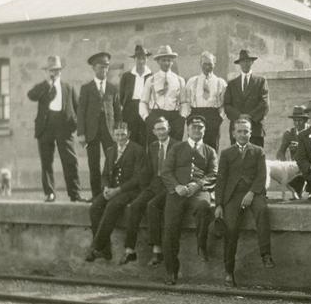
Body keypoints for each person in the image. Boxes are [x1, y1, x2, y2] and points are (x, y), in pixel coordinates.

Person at [214, 119, 273, 288]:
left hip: (253, 193)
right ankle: (229, 271)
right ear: (233, 133)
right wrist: (219, 204)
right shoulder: (226, 154)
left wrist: (252, 193)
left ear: (250, 133)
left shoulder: (258, 151)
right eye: (239, 131)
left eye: (246, 131)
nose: (243, 135)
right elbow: (221, 180)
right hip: (232, 195)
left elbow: (261, 176)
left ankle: (265, 254)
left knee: (262, 211)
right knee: (231, 229)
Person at [160, 114, 217, 285]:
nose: (197, 130)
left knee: (203, 206)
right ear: (188, 129)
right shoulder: (177, 148)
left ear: (205, 130)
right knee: (170, 229)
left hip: (198, 192)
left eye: (200, 127)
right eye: (194, 127)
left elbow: (213, 174)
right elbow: (166, 171)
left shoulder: (210, 150)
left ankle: (201, 244)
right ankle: (171, 271)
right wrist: (177, 186)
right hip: (177, 192)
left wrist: (198, 185)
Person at [121, 116, 178, 265]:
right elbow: (148, 170)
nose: (161, 132)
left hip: (169, 185)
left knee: (152, 206)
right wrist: (144, 188)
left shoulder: (177, 146)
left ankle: (157, 251)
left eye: (163, 128)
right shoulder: (152, 147)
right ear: (153, 131)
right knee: (135, 206)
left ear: (169, 129)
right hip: (154, 184)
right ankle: (129, 250)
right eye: (158, 129)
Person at [27, 55, 85, 203]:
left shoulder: (68, 87)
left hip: (64, 127)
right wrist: (47, 84)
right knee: (46, 162)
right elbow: (31, 95)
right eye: (51, 70)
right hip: (45, 127)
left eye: (57, 70)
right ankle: (50, 193)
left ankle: (75, 194)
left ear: (61, 71)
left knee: (70, 160)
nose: (54, 73)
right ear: (47, 71)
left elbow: (78, 108)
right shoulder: (42, 87)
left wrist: (79, 128)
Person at [86, 122, 144, 262]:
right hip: (111, 190)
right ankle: (105, 251)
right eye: (117, 134)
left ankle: (96, 247)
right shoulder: (111, 150)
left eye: (123, 134)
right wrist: (106, 187)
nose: (120, 138)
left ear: (128, 134)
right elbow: (105, 174)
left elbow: (138, 178)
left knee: (113, 206)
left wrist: (117, 190)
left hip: (130, 191)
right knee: (95, 207)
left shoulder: (138, 150)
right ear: (113, 135)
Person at [78, 52, 121, 200]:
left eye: (106, 67)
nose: (104, 70)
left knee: (111, 163)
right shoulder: (86, 88)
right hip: (92, 132)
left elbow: (118, 112)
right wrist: (81, 133)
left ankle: (110, 192)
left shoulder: (112, 88)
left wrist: (119, 131)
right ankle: (96, 195)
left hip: (109, 131)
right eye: (100, 67)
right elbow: (81, 112)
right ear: (94, 69)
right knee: (93, 164)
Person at [140, 45, 188, 143]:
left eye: (169, 60)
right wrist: (147, 117)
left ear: (172, 61)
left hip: (174, 117)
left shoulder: (179, 80)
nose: (166, 63)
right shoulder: (151, 80)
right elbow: (143, 102)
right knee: (155, 147)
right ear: (158, 61)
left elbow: (184, 102)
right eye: (163, 60)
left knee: (175, 147)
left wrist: (182, 117)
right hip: (156, 115)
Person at [224, 50, 269, 147]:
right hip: (237, 129)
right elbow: (227, 105)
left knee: (255, 158)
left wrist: (249, 116)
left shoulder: (261, 81)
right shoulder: (232, 84)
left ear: (252, 62)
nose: (245, 64)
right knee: (236, 159)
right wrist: (239, 116)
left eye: (248, 61)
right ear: (239, 63)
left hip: (255, 128)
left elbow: (264, 104)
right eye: (243, 61)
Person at [184, 50, 227, 151]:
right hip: (196, 114)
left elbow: (224, 104)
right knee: (194, 146)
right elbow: (186, 101)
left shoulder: (220, 82)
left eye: (210, 64)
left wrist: (219, 118)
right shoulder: (192, 81)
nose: (207, 66)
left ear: (214, 64)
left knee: (211, 147)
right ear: (200, 64)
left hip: (213, 116)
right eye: (205, 64)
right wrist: (188, 117)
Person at [119, 45, 153, 146]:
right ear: (135, 59)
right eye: (139, 58)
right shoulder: (127, 76)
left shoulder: (151, 76)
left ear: (147, 59)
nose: (141, 61)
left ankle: (142, 161)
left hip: (145, 108)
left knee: (144, 137)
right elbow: (121, 96)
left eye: (144, 58)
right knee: (131, 138)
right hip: (131, 109)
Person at [276, 105, 309, 199]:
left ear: (306, 120)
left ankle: (307, 187)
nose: (297, 123)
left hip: (310, 163)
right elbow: (280, 152)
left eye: (300, 120)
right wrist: (284, 164)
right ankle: (297, 189)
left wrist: (300, 147)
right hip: (295, 165)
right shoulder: (289, 133)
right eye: (295, 120)